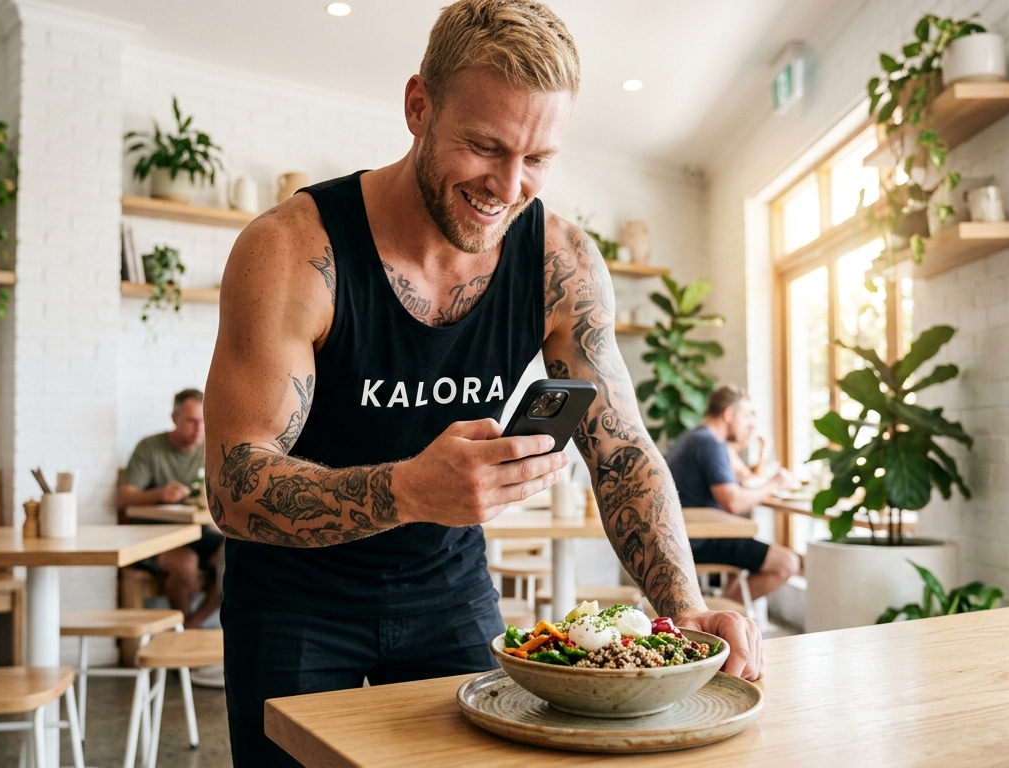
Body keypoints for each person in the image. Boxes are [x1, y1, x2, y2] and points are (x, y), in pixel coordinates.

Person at [202, 2, 762, 763]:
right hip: (294, 602)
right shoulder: (293, 251)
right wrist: (407, 490)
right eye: (485, 147)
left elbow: (622, 448)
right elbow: (233, 486)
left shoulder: (558, 260)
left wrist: (686, 607)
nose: (508, 186)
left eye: (537, 159)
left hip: (449, 591)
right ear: (418, 107)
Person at [665, 384, 801, 605]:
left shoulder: (693, 437)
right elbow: (733, 502)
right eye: (747, 415)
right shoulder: (710, 443)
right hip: (697, 540)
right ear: (729, 414)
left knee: (739, 566)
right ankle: (717, 618)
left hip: (686, 535)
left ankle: (721, 612)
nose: (751, 423)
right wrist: (775, 483)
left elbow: (738, 485)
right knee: (787, 563)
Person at [116, 389, 223, 629]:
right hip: (154, 537)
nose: (199, 430)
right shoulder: (150, 447)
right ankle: (179, 633)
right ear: (174, 418)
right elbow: (122, 498)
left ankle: (190, 627)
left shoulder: (212, 449)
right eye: (191, 421)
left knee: (238, 554)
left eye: (205, 421)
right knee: (185, 562)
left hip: (198, 533)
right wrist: (160, 494)